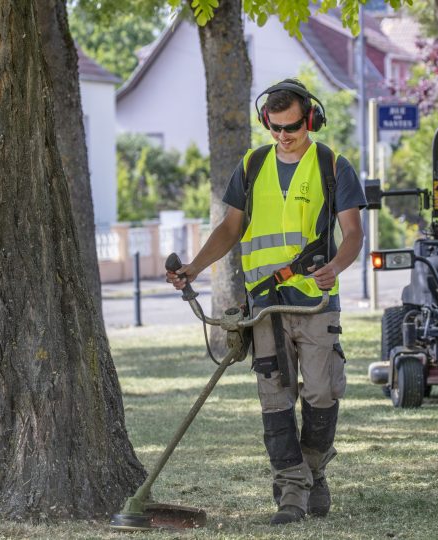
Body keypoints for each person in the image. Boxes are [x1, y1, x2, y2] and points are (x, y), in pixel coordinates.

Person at [166, 79, 365, 525]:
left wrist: (336, 265)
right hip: (264, 303)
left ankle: (313, 472)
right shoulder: (252, 166)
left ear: (310, 119)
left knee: (321, 391)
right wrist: (194, 267)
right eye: (274, 128)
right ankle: (291, 493)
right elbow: (229, 228)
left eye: (291, 126)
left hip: (315, 301)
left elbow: (353, 234)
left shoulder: (332, 164)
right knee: (274, 399)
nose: (282, 136)